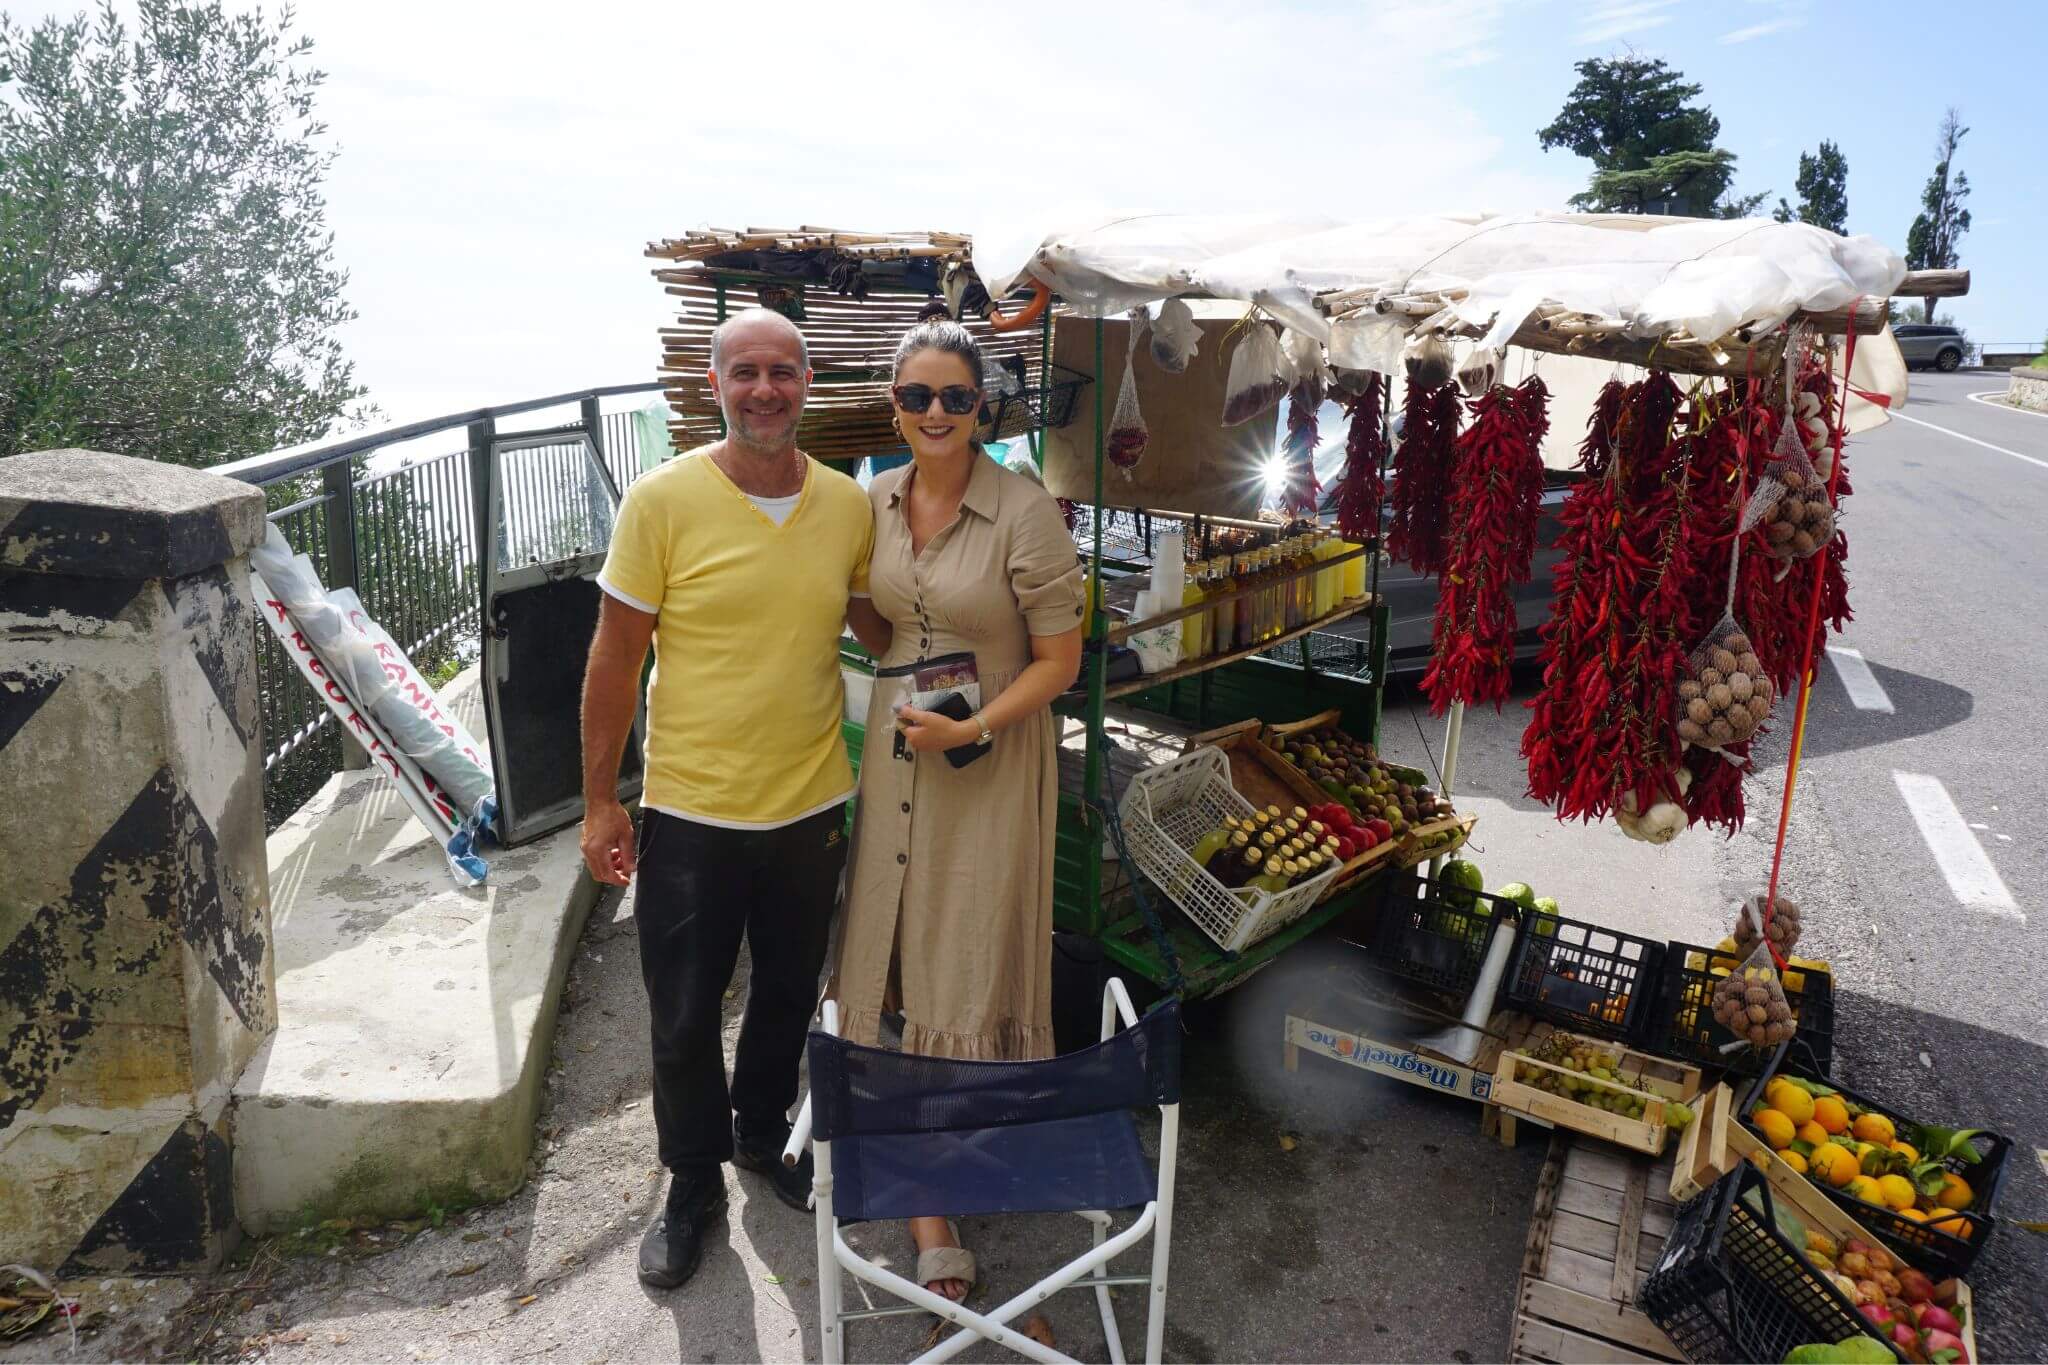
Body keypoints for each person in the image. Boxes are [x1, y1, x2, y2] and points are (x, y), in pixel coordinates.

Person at [580, 307, 874, 1291]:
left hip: (809, 803)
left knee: (790, 991)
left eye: (781, 372)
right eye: (744, 372)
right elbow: (614, 659)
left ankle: (758, 1138)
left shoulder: (846, 505)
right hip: (692, 809)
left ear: (805, 386)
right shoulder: (661, 502)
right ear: (715, 385)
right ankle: (691, 1180)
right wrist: (599, 804)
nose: (763, 389)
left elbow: (884, 625)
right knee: (681, 1010)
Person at [834, 317, 1086, 1304]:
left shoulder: (1024, 513)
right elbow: (873, 611)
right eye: (915, 397)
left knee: (962, 948)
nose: (934, 413)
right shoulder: (874, 499)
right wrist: (895, 669)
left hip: (987, 756)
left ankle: (939, 1176)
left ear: (982, 407)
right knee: (885, 944)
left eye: (955, 397)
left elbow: (1058, 664)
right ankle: (920, 1171)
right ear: (891, 406)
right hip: (900, 752)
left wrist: (971, 720)